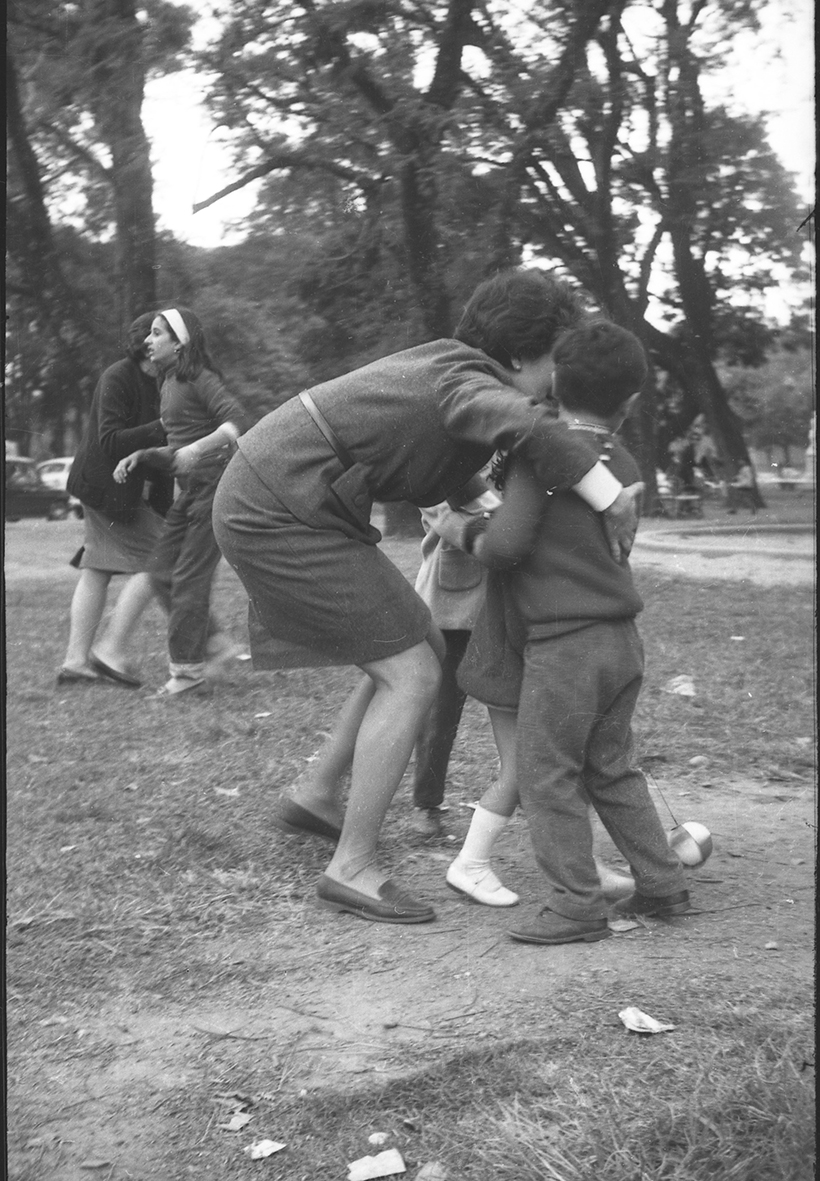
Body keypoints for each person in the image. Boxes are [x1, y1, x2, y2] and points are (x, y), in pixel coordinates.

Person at [212, 268, 645, 926]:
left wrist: (498, 513)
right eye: (554, 363)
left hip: (281, 496)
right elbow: (530, 428)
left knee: (417, 639)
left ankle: (320, 793)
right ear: (523, 357)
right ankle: (351, 866)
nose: (558, 382)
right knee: (412, 672)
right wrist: (611, 499)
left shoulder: (451, 371)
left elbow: (435, 469)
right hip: (278, 507)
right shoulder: (467, 380)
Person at [458, 319, 690, 944]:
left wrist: (458, 530)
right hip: (620, 639)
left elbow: (505, 547)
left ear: (555, 382)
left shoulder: (542, 457)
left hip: (565, 646)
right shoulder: (624, 460)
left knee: (546, 773)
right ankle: (663, 881)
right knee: (612, 765)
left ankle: (575, 906)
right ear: (633, 400)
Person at [113, 307, 247, 696]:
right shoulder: (170, 382)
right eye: (149, 335)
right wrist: (143, 455)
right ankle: (218, 647)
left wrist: (198, 449)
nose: (148, 342)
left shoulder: (199, 379)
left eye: (157, 334)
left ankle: (186, 673)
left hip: (216, 490)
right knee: (160, 574)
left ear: (180, 341)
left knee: (188, 579)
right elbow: (178, 444)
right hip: (190, 494)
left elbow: (237, 421)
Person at [58, 314, 174, 687]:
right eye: (157, 335)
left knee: (98, 568)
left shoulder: (163, 381)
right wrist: (163, 428)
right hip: (101, 488)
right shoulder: (118, 376)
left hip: (116, 490)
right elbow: (110, 439)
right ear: (145, 343)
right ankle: (110, 651)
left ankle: (76, 663)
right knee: (164, 558)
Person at [410, 474, 501, 837]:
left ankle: (532, 791)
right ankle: (426, 803)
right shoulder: (443, 456)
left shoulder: (521, 442)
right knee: (440, 712)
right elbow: (440, 511)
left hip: (513, 598)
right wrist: (503, 523)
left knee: (527, 702)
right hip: (453, 602)